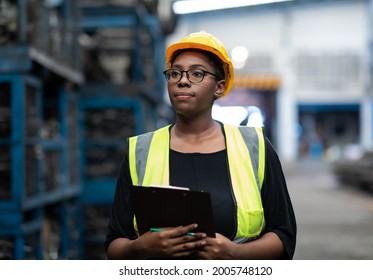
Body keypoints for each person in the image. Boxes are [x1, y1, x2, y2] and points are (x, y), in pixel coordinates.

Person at [105, 30, 296, 260]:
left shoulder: (254, 147)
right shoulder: (141, 151)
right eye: (175, 73)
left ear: (219, 87)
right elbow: (115, 242)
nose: (182, 80)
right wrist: (139, 248)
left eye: (197, 73)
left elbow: (284, 234)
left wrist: (235, 253)